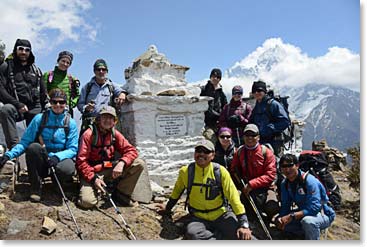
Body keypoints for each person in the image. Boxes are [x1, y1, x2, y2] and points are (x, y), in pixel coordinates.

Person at [157, 139, 253, 240]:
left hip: (221, 214)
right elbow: (177, 192)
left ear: (213, 155)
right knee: (192, 234)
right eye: (198, 151)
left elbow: (233, 198)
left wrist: (244, 224)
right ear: (194, 153)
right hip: (198, 217)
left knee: (242, 235)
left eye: (206, 151)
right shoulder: (186, 172)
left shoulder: (220, 172)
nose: (201, 154)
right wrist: (167, 209)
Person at [0, 89, 78, 202]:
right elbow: (25, 142)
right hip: (43, 157)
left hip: (59, 159)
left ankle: (57, 184)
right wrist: (8, 155)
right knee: (33, 148)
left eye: (61, 102)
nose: (58, 105)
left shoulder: (70, 123)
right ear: (50, 103)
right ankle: (35, 188)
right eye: (54, 102)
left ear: (65, 104)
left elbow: (73, 149)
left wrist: (57, 157)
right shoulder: (39, 119)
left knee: (67, 168)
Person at [76, 105, 145, 209]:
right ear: (98, 119)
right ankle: (93, 189)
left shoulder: (115, 134)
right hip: (91, 172)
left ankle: (121, 195)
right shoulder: (88, 135)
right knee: (87, 202)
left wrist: (122, 163)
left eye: (110, 118)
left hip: (108, 167)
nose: (107, 120)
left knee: (139, 163)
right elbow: (81, 162)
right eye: (104, 117)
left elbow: (131, 151)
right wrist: (94, 179)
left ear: (114, 121)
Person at [0, 39, 47, 149]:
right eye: (20, 49)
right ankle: (14, 149)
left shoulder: (36, 70)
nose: (23, 52)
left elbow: (43, 92)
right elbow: (1, 90)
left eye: (27, 50)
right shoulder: (6, 67)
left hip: (34, 107)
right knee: (6, 110)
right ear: (15, 50)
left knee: (37, 139)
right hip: (16, 106)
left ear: (30, 52)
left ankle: (37, 157)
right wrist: (18, 104)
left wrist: (46, 106)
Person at [275, 154, 335, 240]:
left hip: (323, 214)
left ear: (297, 166)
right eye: (284, 166)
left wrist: (292, 216)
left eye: (290, 165)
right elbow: (285, 205)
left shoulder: (309, 181)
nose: (287, 170)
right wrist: (281, 219)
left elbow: (315, 207)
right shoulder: (285, 184)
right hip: (303, 213)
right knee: (279, 221)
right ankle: (304, 234)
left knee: (308, 222)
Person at [230, 124, 279, 222]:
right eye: (247, 135)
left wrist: (252, 184)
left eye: (253, 135)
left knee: (271, 206)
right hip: (245, 187)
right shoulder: (239, 152)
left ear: (258, 137)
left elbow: (270, 175)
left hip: (265, 188)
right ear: (243, 137)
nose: (250, 138)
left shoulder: (267, 152)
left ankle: (268, 219)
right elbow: (233, 170)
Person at [77, 59, 127, 135]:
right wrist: (86, 108)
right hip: (90, 124)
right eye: (98, 69)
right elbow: (80, 104)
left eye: (103, 69)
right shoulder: (87, 87)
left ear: (107, 71)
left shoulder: (112, 86)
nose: (101, 72)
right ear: (94, 71)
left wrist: (122, 94)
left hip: (107, 124)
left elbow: (121, 91)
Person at [249, 80, 290, 157]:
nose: (257, 93)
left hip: (274, 141)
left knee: (274, 164)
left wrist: (270, 128)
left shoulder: (273, 104)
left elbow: (285, 121)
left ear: (264, 91)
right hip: (260, 141)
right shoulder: (257, 105)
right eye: (254, 91)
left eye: (259, 90)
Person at [43, 51, 80, 117]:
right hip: (50, 110)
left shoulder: (72, 79)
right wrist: (48, 103)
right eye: (63, 61)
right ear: (58, 61)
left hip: (67, 112)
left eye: (68, 63)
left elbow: (78, 95)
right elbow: (43, 91)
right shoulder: (48, 75)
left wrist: (70, 104)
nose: (65, 64)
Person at [200, 68, 227, 145]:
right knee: (210, 141)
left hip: (218, 123)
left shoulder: (221, 92)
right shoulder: (203, 89)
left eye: (218, 77)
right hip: (206, 123)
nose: (215, 78)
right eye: (213, 76)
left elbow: (225, 106)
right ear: (210, 77)